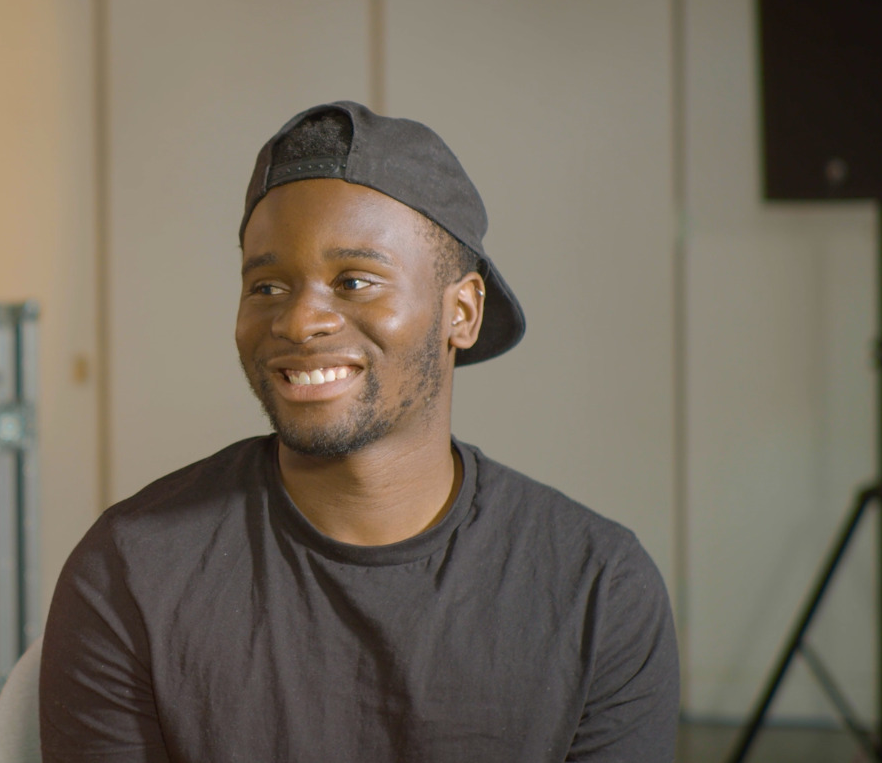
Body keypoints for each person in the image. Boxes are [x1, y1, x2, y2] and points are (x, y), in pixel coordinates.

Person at [39, 101, 679, 762]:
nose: (299, 320)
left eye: (354, 281)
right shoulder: (131, 573)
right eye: (265, 286)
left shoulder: (596, 589)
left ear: (460, 311)